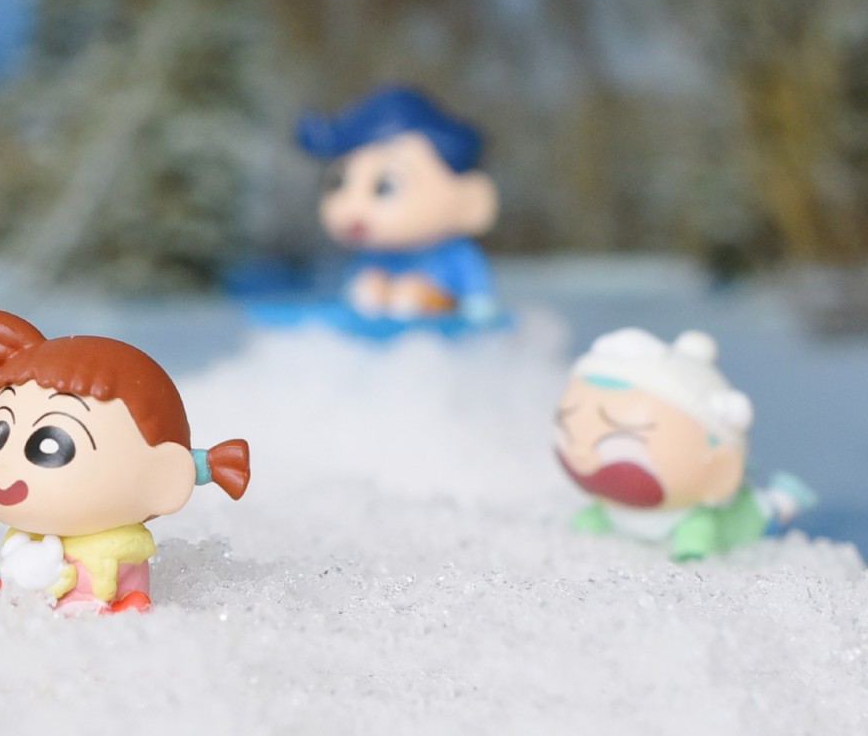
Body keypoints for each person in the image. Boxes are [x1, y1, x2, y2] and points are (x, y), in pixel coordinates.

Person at [0, 307, 249, 614]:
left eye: (50, 447)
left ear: (165, 480)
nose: (5, 472)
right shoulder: (24, 537)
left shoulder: (117, 553)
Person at [555, 327, 814, 560]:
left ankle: (783, 500)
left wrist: (690, 553)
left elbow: (695, 547)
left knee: (761, 512)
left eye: (623, 438)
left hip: (739, 518)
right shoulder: (605, 505)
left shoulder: (694, 520)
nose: (581, 451)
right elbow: (590, 519)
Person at [296, 85, 499, 323]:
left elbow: (479, 305)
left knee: (409, 294)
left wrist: (475, 310)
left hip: (441, 335)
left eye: (385, 187)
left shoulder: (456, 256)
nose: (354, 208)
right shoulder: (372, 257)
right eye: (338, 183)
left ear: (472, 198)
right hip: (381, 338)